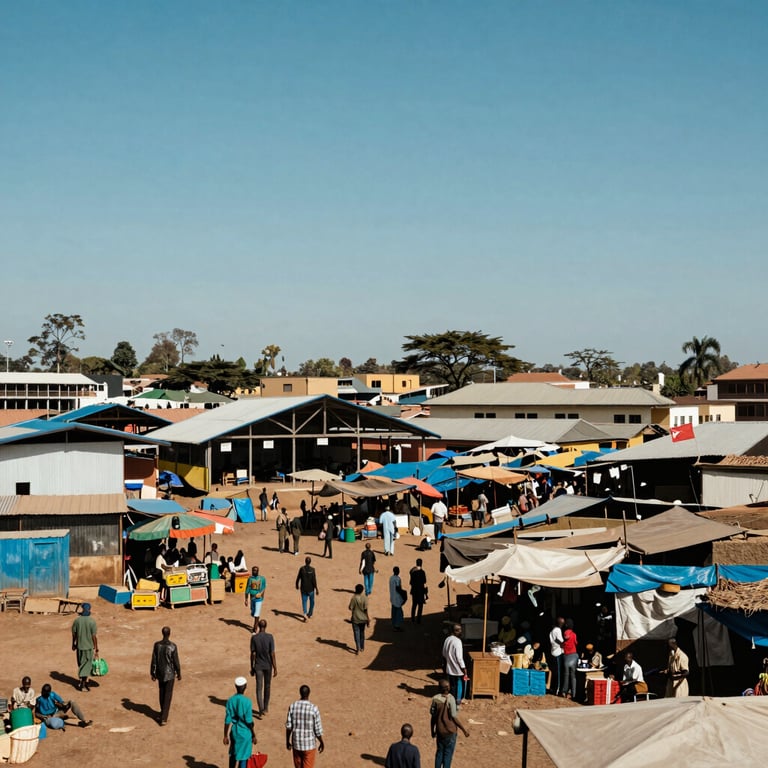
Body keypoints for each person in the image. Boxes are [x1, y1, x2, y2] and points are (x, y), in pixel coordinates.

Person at [430, 678, 469, 768]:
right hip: (450, 732)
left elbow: (433, 717)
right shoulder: (451, 699)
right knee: (448, 755)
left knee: (439, 753)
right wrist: (464, 730)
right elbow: (454, 717)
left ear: (439, 688)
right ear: (449, 688)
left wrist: (432, 730)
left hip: (440, 731)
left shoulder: (435, 699)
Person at [285, 684, 325, 768]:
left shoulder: (293, 706)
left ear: (300, 693)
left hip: (296, 744)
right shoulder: (314, 708)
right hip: (309, 745)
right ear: (309, 694)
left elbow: (289, 727)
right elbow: (317, 730)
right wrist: (321, 742)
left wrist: (287, 741)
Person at [150, 626, 181, 726]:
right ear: (169, 633)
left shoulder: (157, 645)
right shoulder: (173, 646)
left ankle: (162, 712)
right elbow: (176, 661)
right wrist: (179, 672)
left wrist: (153, 672)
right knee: (168, 695)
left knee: (162, 693)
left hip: (160, 672)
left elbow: (154, 660)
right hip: (170, 673)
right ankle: (164, 717)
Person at [223, 676, 257, 768]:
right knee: (244, 758)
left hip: (234, 732)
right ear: (245, 686)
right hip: (245, 733)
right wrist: (253, 735)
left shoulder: (230, 701)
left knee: (233, 754)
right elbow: (249, 721)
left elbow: (227, 720)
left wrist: (225, 735)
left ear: (235, 686)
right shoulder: (247, 702)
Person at [250, 619, 278, 716]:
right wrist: (275, 667)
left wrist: (252, 667)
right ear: (266, 626)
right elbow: (272, 653)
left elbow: (253, 654)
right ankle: (266, 707)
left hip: (258, 666)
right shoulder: (270, 637)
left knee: (259, 688)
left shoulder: (254, 638)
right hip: (268, 665)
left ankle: (261, 709)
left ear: (258, 626)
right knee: (267, 686)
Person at [72, 602, 98, 692]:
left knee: (81, 664)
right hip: (88, 647)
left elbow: (74, 634)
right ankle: (83, 685)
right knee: (86, 666)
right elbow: (94, 636)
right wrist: (96, 647)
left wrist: (73, 644)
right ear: (89, 610)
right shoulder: (92, 621)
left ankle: (82, 681)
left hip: (80, 647)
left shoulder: (77, 621)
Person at [442, 624, 467, 706]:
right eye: (459, 630)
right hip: (457, 669)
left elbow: (444, 653)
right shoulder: (457, 641)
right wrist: (463, 668)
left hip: (449, 667)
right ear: (455, 631)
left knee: (452, 685)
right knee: (458, 684)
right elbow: (459, 657)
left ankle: (451, 699)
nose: (461, 631)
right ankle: (457, 700)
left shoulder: (447, 639)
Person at [349, 583, 370, 654]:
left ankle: (357, 648)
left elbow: (350, 608)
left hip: (355, 618)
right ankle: (362, 647)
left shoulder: (354, 598)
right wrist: (368, 619)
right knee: (362, 632)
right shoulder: (365, 598)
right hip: (363, 619)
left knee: (356, 633)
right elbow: (366, 609)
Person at [296, 556, 319, 621]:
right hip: (311, 589)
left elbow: (298, 577)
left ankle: (305, 613)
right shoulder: (312, 570)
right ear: (310, 562)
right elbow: (314, 580)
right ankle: (310, 613)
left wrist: (297, 584)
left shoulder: (302, 569)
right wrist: (316, 588)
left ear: (305, 562)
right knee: (312, 602)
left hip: (303, 588)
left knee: (304, 602)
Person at [245, 566, 267, 633]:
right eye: (253, 570)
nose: (254, 571)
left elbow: (263, 587)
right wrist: (246, 599)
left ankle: (255, 629)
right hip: (252, 599)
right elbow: (247, 589)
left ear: (258, 571)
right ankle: (256, 623)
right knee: (253, 612)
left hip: (258, 599)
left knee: (256, 614)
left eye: (255, 570)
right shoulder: (250, 579)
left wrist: (261, 594)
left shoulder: (262, 579)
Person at [561, 619, 578, 700]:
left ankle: (564, 691)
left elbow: (564, 640)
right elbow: (576, 643)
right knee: (573, 676)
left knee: (566, 675)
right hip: (574, 655)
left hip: (567, 655)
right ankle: (573, 693)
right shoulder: (574, 634)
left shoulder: (565, 633)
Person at [548, 617, 565, 696]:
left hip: (554, 652)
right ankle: (557, 690)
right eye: (562, 623)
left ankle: (554, 688)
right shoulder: (558, 630)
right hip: (558, 652)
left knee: (556, 672)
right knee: (558, 673)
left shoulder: (552, 631)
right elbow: (559, 640)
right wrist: (564, 644)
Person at [409, 559, 428, 624]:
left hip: (414, 591)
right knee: (420, 606)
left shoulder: (413, 572)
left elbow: (411, 582)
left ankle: (412, 618)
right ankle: (418, 620)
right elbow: (425, 583)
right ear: (421, 564)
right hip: (421, 591)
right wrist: (426, 593)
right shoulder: (423, 572)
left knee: (414, 605)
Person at [389, 566, 406, 631]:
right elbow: (398, 588)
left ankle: (394, 623)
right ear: (398, 571)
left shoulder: (391, 578)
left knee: (393, 611)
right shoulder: (397, 579)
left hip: (392, 597)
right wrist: (403, 594)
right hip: (397, 597)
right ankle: (397, 626)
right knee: (399, 612)